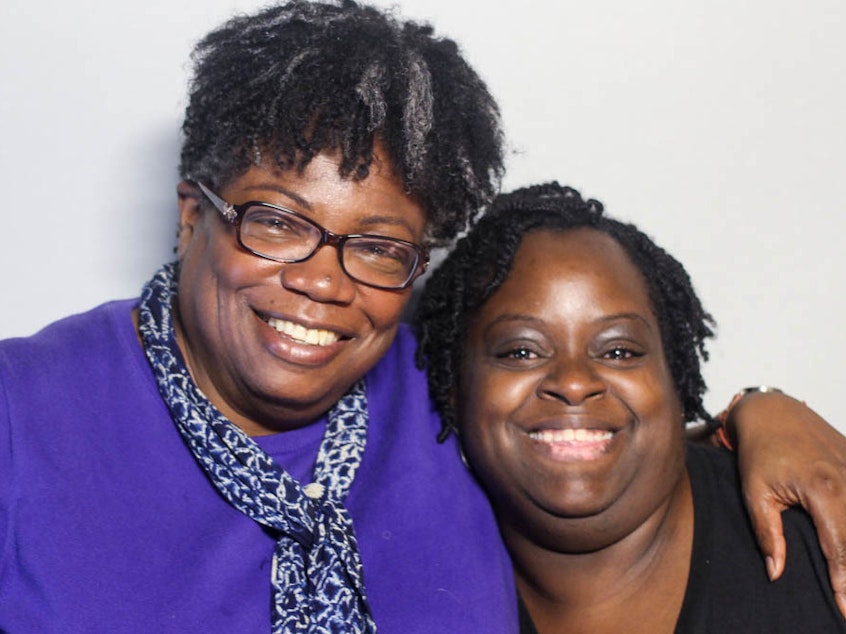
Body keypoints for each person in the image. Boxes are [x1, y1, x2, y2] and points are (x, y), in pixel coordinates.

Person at [0, 2, 845, 631]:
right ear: (192, 216)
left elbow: (590, 426)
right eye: (279, 222)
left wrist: (757, 414)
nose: (323, 283)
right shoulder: (22, 414)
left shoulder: (432, 391)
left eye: (376, 246)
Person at [414, 181, 846, 632]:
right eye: (521, 351)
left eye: (619, 351)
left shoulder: (823, 536)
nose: (575, 382)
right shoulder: (398, 576)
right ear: (455, 388)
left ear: (674, 377)